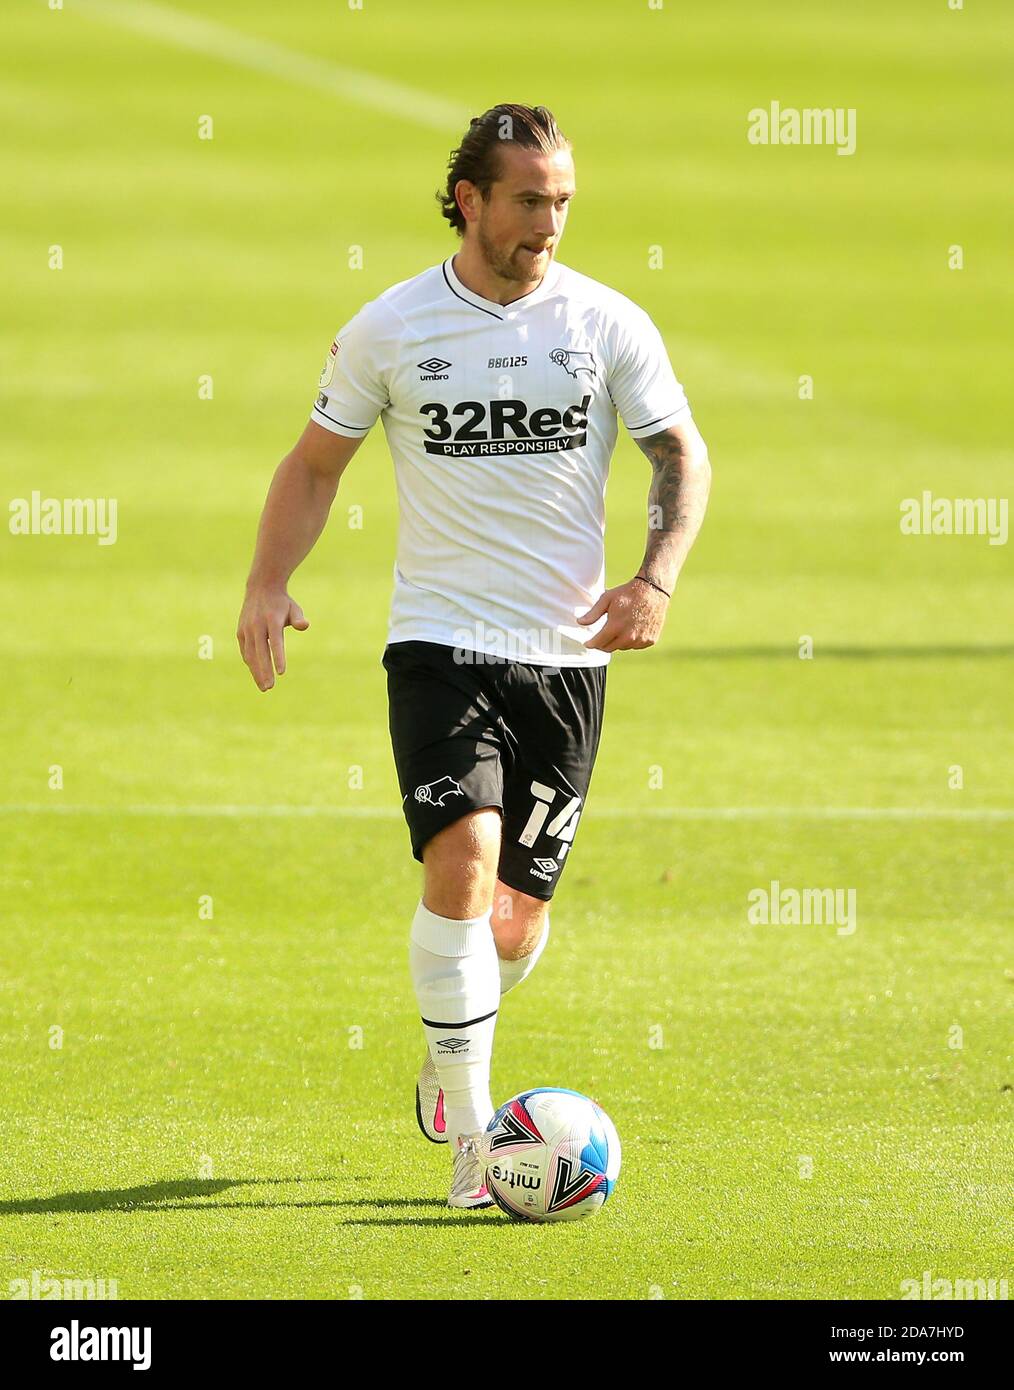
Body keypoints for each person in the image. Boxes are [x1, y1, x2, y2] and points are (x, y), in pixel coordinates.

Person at [237, 103, 711, 1208]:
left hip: (566, 660)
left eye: (562, 201)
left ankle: (453, 1051)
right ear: (469, 200)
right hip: (439, 641)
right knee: (459, 859)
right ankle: (471, 1151)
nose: (549, 222)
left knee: (514, 920)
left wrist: (656, 579)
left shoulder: (606, 324)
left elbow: (679, 453)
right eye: (529, 200)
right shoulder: (391, 328)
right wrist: (268, 580)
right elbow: (313, 466)